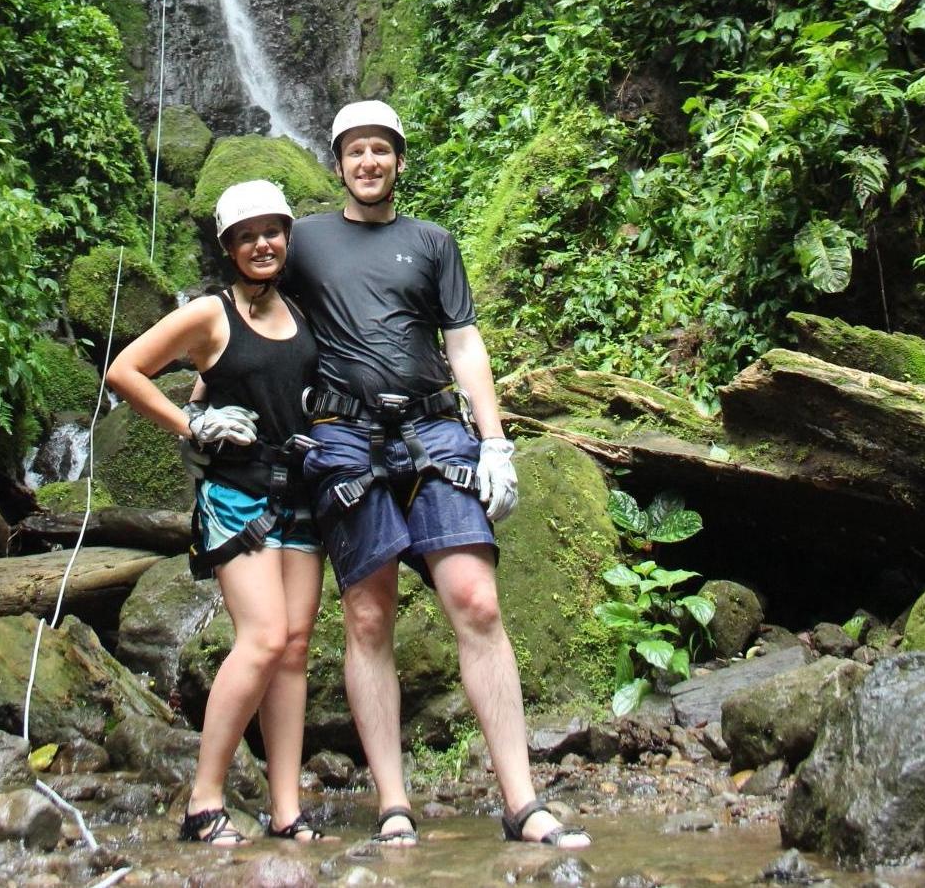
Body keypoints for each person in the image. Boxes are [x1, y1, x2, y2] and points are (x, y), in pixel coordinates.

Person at [281, 100, 591, 849]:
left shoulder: (433, 242)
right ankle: (393, 801)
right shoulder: (305, 241)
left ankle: (521, 800)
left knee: (476, 600)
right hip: (344, 434)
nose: (368, 162)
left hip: (432, 428)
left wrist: (494, 442)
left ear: (398, 161)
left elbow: (463, 345)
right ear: (337, 162)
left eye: (380, 150)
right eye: (355, 151)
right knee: (366, 614)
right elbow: (255, 314)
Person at [105, 180, 326, 846]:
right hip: (237, 496)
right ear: (228, 246)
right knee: (261, 637)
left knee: (291, 648)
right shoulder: (209, 314)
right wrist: (191, 427)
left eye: (272, 230)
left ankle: (286, 808)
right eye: (247, 234)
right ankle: (204, 800)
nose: (262, 242)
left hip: (301, 492)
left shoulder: (302, 307)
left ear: (286, 236)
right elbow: (125, 370)